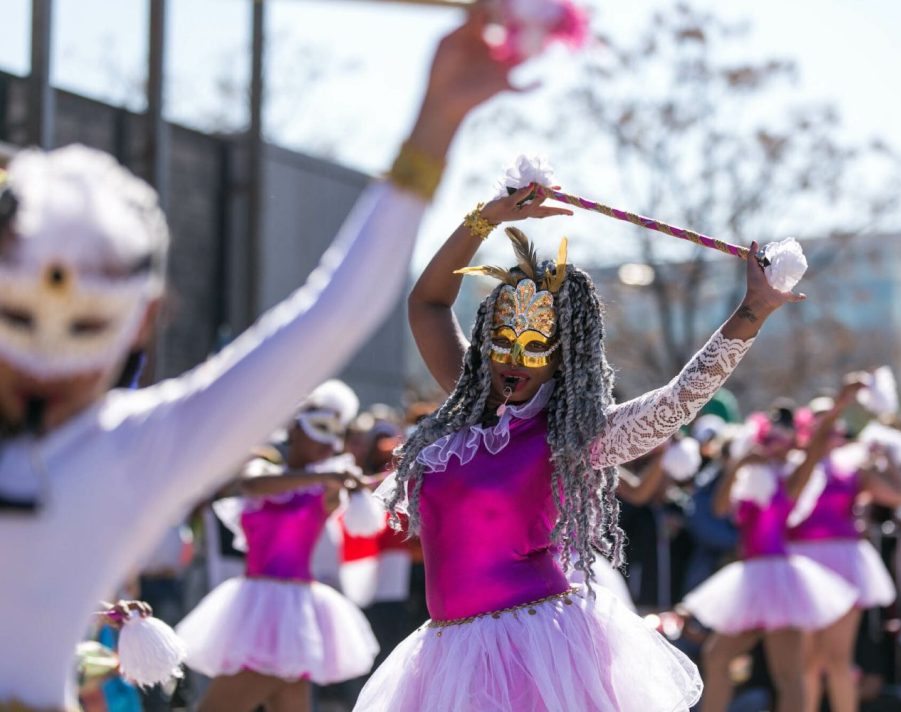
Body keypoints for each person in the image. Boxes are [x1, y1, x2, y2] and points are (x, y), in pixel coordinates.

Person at [0, 12, 519, 710]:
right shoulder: (134, 447)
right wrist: (435, 122)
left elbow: (330, 319)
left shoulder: (128, 446)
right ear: (147, 317)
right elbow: (328, 318)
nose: (47, 357)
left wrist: (438, 120)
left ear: (142, 318)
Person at [354, 180, 803, 711]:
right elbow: (427, 304)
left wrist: (752, 311)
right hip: (449, 653)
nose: (513, 358)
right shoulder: (467, 406)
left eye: (534, 346)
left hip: (538, 648)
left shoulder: (567, 435)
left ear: (563, 357)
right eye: (501, 340)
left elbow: (674, 404)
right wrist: (487, 218)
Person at [176, 381, 380, 711]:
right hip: (254, 605)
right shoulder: (268, 471)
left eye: (335, 432)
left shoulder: (327, 488)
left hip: (292, 610)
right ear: (295, 429)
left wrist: (342, 482)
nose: (327, 442)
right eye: (319, 428)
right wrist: (325, 477)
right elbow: (251, 485)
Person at [682, 386, 862, 712]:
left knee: (788, 673)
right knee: (717, 656)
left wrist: (839, 406)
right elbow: (720, 509)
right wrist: (737, 465)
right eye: (769, 438)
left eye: (780, 438)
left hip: (779, 579)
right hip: (749, 579)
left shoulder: (790, 479)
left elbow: (818, 445)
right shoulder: (747, 478)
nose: (773, 444)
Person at [787, 397, 901, 712]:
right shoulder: (791, 467)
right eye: (820, 423)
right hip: (801, 566)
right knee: (805, 662)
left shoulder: (853, 469)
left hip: (843, 566)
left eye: (834, 426)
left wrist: (888, 460)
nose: (830, 432)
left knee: (838, 659)